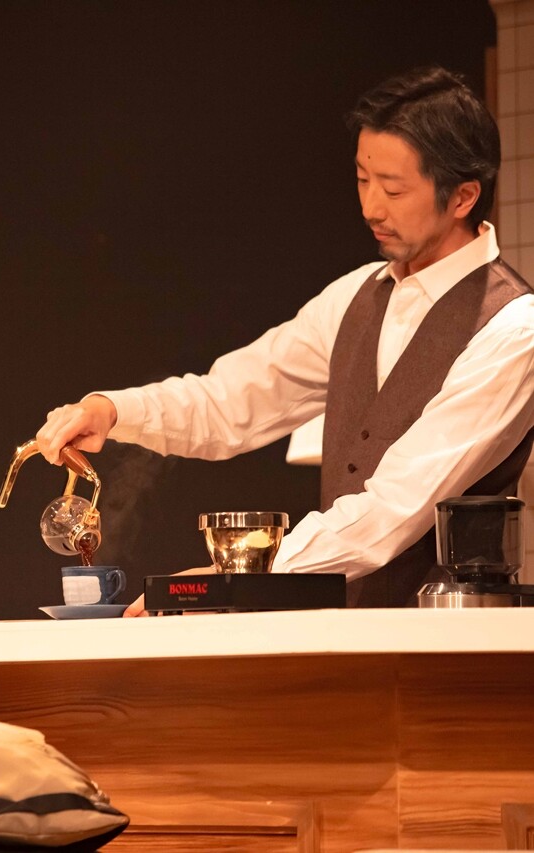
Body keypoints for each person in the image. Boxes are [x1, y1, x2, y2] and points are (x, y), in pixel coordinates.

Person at [35, 66, 534, 611]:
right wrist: (111, 411)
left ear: (463, 197)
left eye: (393, 189)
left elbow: (399, 504)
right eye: (362, 180)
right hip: (341, 630)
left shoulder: (513, 327)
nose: (370, 207)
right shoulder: (355, 296)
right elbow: (229, 401)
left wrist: (243, 575)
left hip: (447, 634)